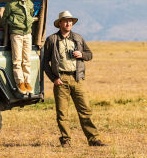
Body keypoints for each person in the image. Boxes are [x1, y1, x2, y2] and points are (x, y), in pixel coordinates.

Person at [41, 10, 105, 147]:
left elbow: (90, 55)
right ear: (60, 23)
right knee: (62, 113)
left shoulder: (78, 38)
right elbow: (45, 63)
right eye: (65, 20)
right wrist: (54, 79)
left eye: (70, 21)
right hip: (61, 80)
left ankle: (93, 139)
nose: (68, 23)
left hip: (77, 79)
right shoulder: (52, 40)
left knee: (85, 110)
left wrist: (81, 54)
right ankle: (65, 140)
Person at [3, 0, 38, 95]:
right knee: (17, 60)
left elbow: (31, 14)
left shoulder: (30, 4)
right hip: (16, 34)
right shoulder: (11, 5)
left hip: (28, 34)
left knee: (27, 59)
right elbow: (5, 18)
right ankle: (20, 82)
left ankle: (28, 82)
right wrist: (13, 22)